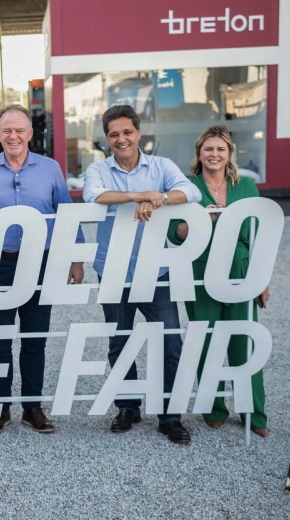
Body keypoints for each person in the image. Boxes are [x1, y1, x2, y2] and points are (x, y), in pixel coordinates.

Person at [82, 104, 201, 445]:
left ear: (139, 133)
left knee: (171, 343)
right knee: (120, 343)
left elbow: (190, 190)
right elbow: (93, 194)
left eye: (127, 132)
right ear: (107, 139)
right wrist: (139, 195)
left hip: (156, 270)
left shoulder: (160, 166)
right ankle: (128, 407)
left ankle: (170, 416)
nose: (121, 139)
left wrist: (160, 198)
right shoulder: (99, 169)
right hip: (114, 270)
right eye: (114, 134)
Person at [0, 104, 85, 434]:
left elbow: (66, 213)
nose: (13, 136)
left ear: (31, 134)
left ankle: (33, 408)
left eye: (19, 130)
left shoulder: (50, 169)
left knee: (35, 339)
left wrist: (75, 259)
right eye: (6, 130)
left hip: (40, 264)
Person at [167, 125, 269, 437]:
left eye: (220, 149)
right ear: (199, 153)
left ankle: (254, 413)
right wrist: (199, 223)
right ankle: (214, 408)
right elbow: (174, 232)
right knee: (206, 339)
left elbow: (259, 236)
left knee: (243, 340)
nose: (214, 154)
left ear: (229, 154)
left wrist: (261, 279)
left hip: (238, 269)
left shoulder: (247, 186)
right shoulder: (186, 187)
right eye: (208, 149)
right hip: (199, 270)